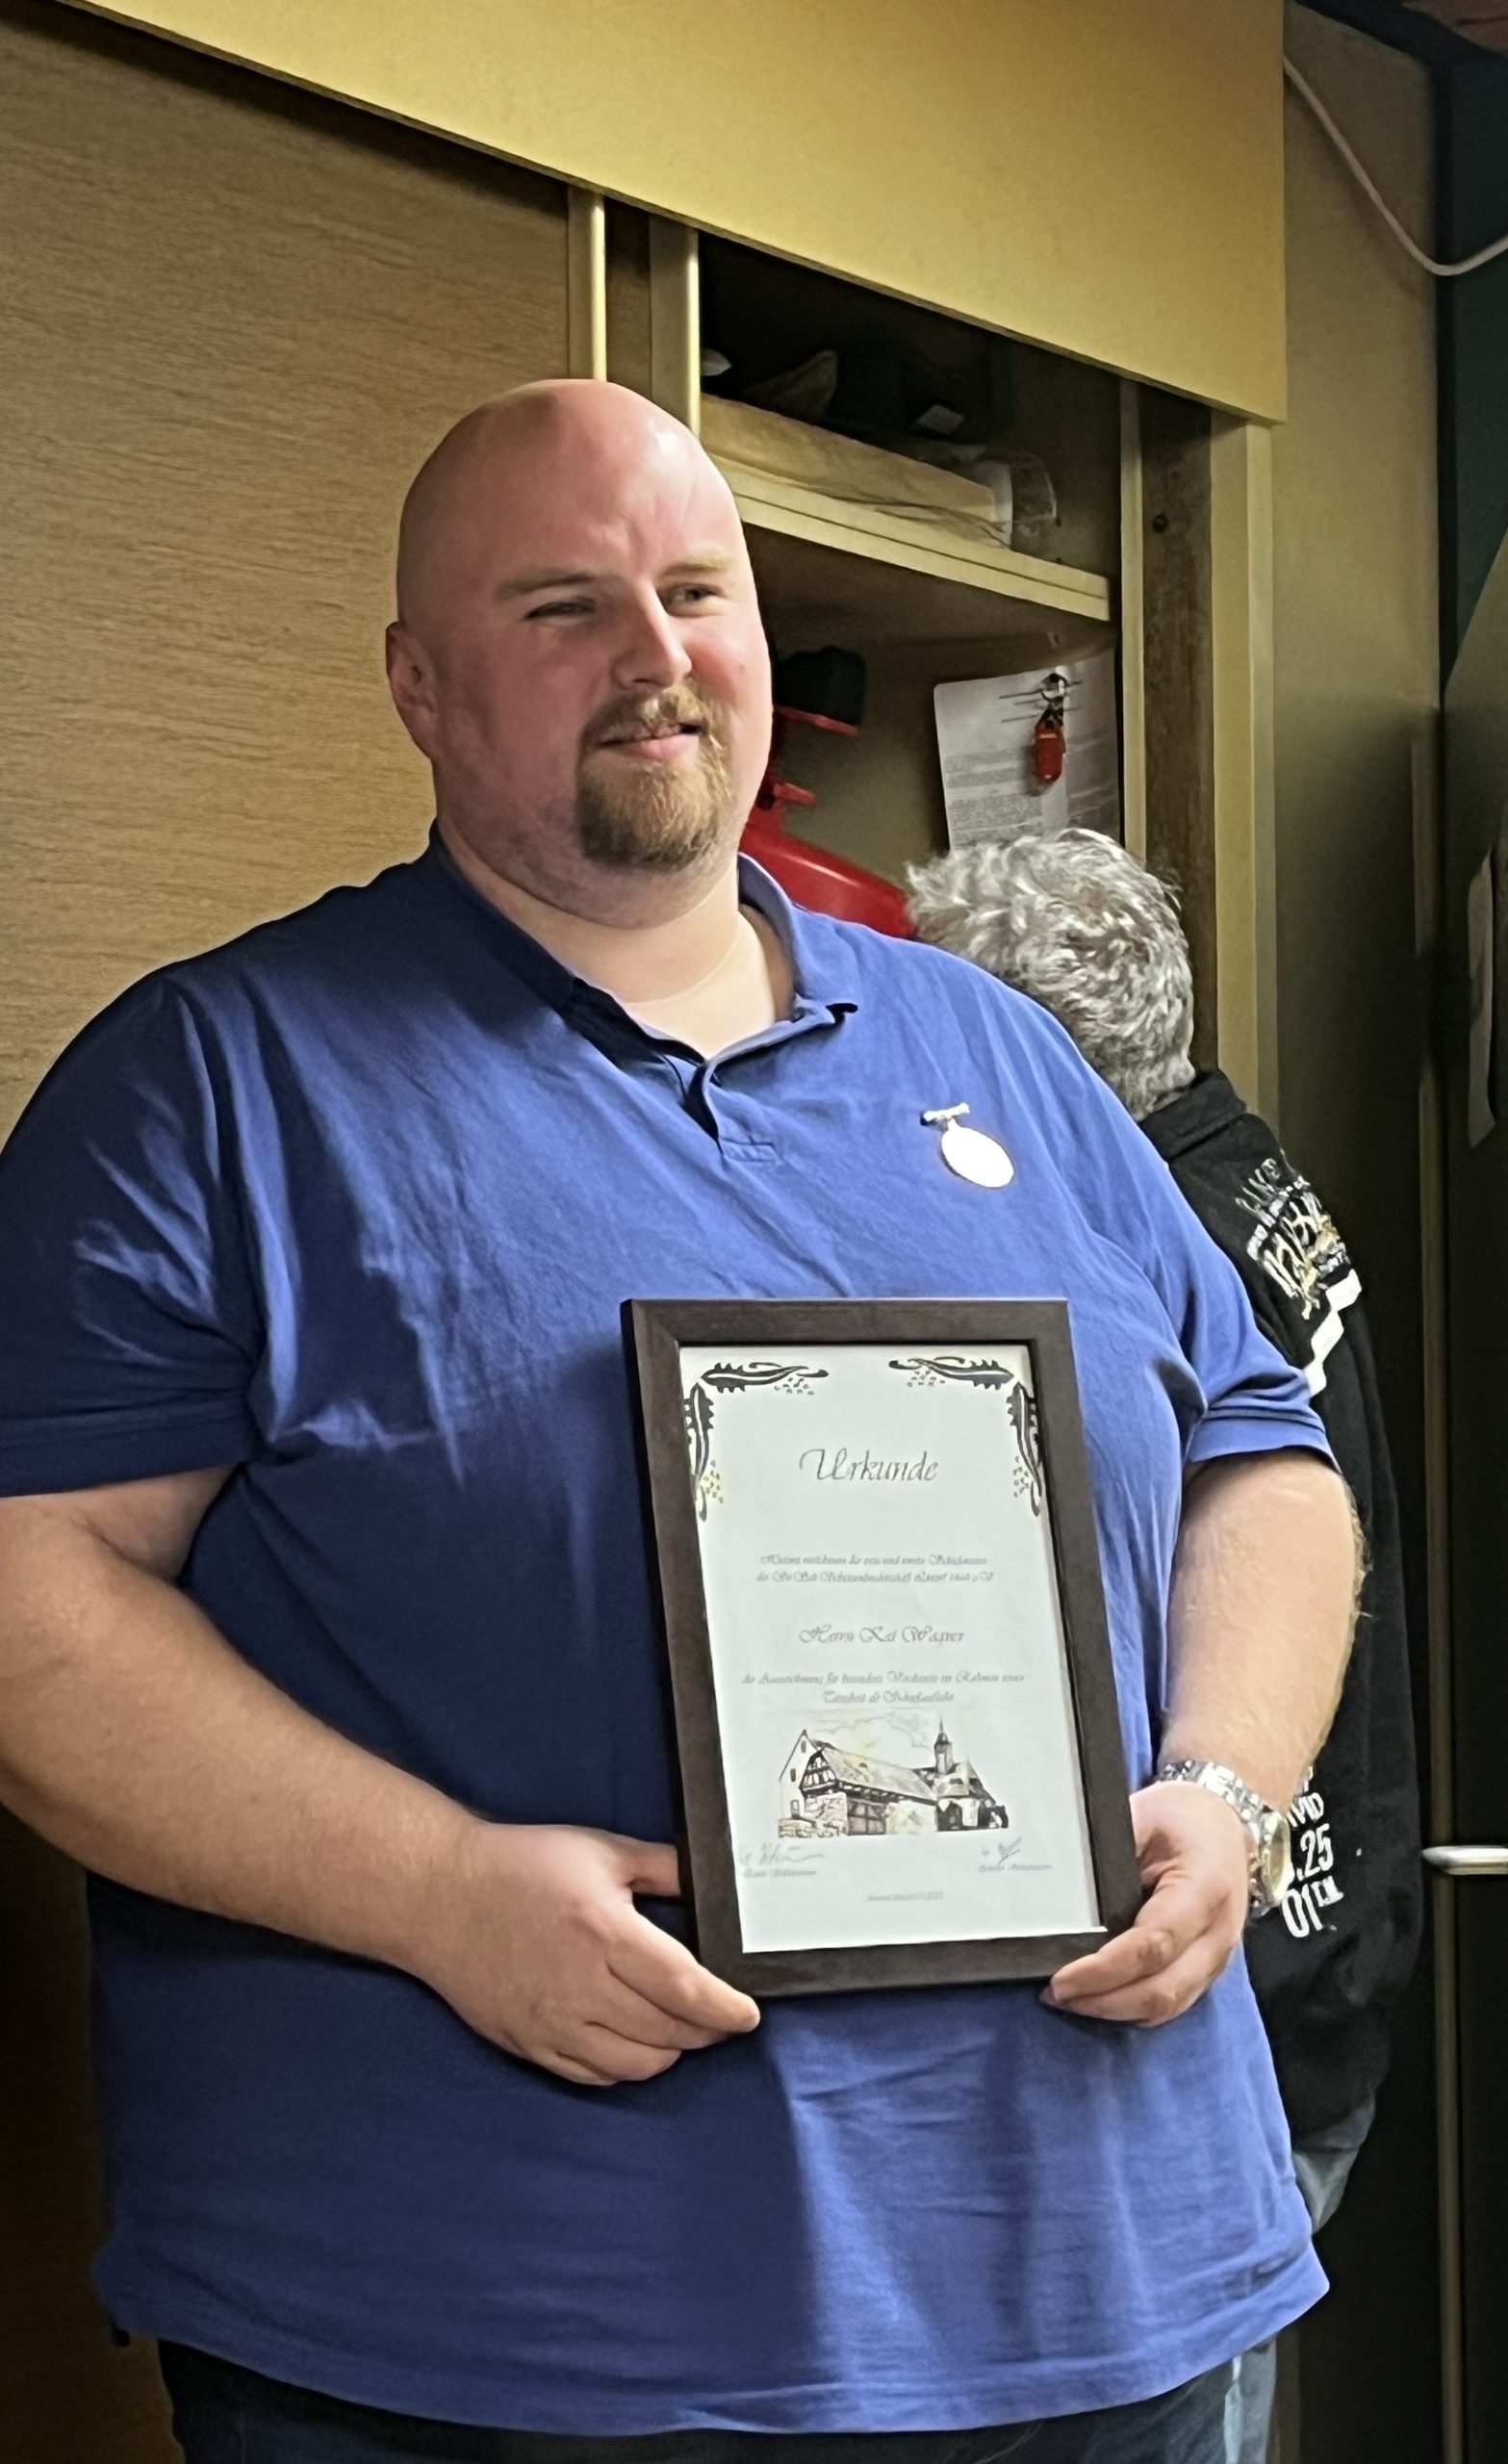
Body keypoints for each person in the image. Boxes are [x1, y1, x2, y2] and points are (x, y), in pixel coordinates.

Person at [0, 381, 1360, 2462]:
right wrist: (439, 1890)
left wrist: (1230, 1784)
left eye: (698, 592)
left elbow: (1261, 1455)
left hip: (1115, 2291)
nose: (654, 655)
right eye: (563, 608)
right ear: (420, 686)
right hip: (501, 2336)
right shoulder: (213, 1083)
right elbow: (33, 1601)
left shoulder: (1002, 1052)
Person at [907, 831, 1423, 2464]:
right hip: (1319, 1929)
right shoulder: (1248, 1172)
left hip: (1235, 1965)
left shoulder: (1146, 1248)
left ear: (1030, 1063)